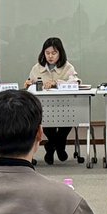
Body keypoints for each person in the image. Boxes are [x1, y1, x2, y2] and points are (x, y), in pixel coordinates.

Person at [25, 36, 81, 165]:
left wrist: (57, 83)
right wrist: (29, 84)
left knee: (67, 121)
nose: (50, 56)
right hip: (44, 107)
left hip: (65, 106)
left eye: (54, 53)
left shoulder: (67, 67)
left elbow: (75, 82)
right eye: (47, 53)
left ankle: (52, 146)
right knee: (45, 119)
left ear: (60, 53)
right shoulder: (37, 68)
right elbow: (30, 84)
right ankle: (58, 146)